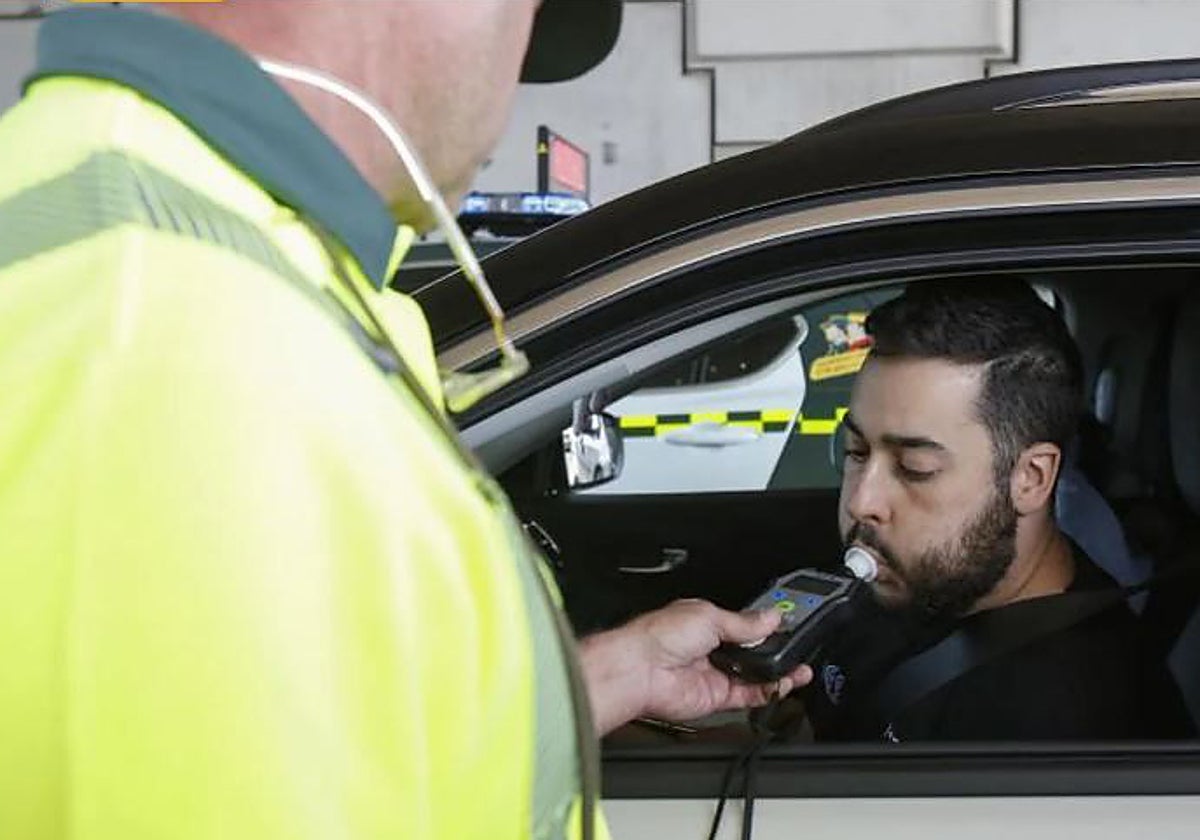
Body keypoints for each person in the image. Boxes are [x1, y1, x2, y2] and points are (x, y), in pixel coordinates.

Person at [0, 3, 809, 839]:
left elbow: (345, 718)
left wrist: (606, 675)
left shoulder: (200, 267)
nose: (520, 60)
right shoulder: (191, 358)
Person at [804, 279, 1191, 742]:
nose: (861, 502)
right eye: (856, 451)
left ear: (1030, 477)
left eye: (915, 468)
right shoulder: (926, 577)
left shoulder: (1050, 728)